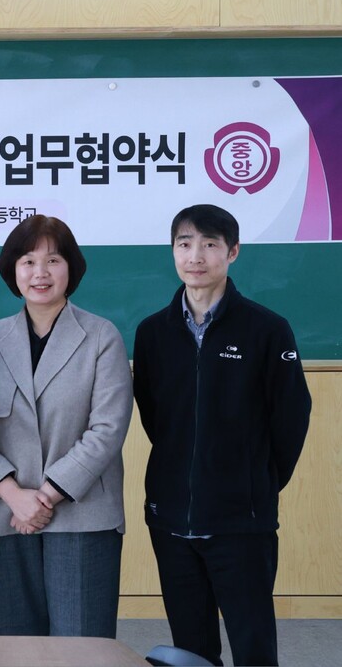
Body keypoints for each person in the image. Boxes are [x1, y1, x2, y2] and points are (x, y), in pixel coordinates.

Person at [133, 204, 311, 667]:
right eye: (185, 244)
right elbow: (156, 418)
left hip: (241, 522)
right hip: (171, 520)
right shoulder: (152, 333)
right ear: (173, 251)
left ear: (232, 252)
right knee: (191, 652)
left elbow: (291, 419)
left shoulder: (267, 329)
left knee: (253, 648)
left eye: (210, 244)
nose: (196, 256)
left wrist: (255, 483)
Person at [0, 215, 132, 638]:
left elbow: (108, 428)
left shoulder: (101, 336)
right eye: (28, 261)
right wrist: (13, 496)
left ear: (71, 269)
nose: (40, 273)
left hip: (82, 516)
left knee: (82, 649)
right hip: (7, 515)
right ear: (13, 271)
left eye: (53, 260)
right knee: (13, 649)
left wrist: (43, 497)